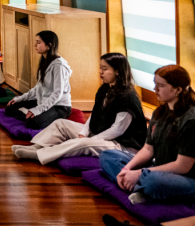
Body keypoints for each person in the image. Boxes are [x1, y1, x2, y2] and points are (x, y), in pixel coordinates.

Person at [13, 53, 145, 164]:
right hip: (101, 134)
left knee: (82, 144)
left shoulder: (128, 97)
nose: (100, 72)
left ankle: (40, 155)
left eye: (105, 69)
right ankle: (37, 146)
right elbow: (95, 114)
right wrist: (84, 132)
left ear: (117, 71)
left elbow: (118, 129)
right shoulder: (105, 88)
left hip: (121, 145)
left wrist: (90, 140)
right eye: (100, 68)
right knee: (61, 124)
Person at [100, 65, 195, 204]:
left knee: (152, 180)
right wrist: (127, 169)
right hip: (157, 168)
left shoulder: (191, 120)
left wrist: (140, 173)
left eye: (161, 86)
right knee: (108, 156)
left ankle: (139, 186)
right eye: (155, 84)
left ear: (178, 90)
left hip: (185, 178)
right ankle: (137, 187)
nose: (155, 89)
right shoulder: (159, 112)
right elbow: (147, 149)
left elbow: (182, 166)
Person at [5, 30, 72, 129]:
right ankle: (28, 113)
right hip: (43, 101)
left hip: (59, 106)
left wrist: (38, 110)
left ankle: (31, 114)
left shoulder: (58, 65)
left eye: (39, 42)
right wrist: (19, 99)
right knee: (10, 108)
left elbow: (57, 94)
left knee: (32, 123)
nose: (35, 45)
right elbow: (38, 88)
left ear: (49, 45)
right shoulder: (45, 61)